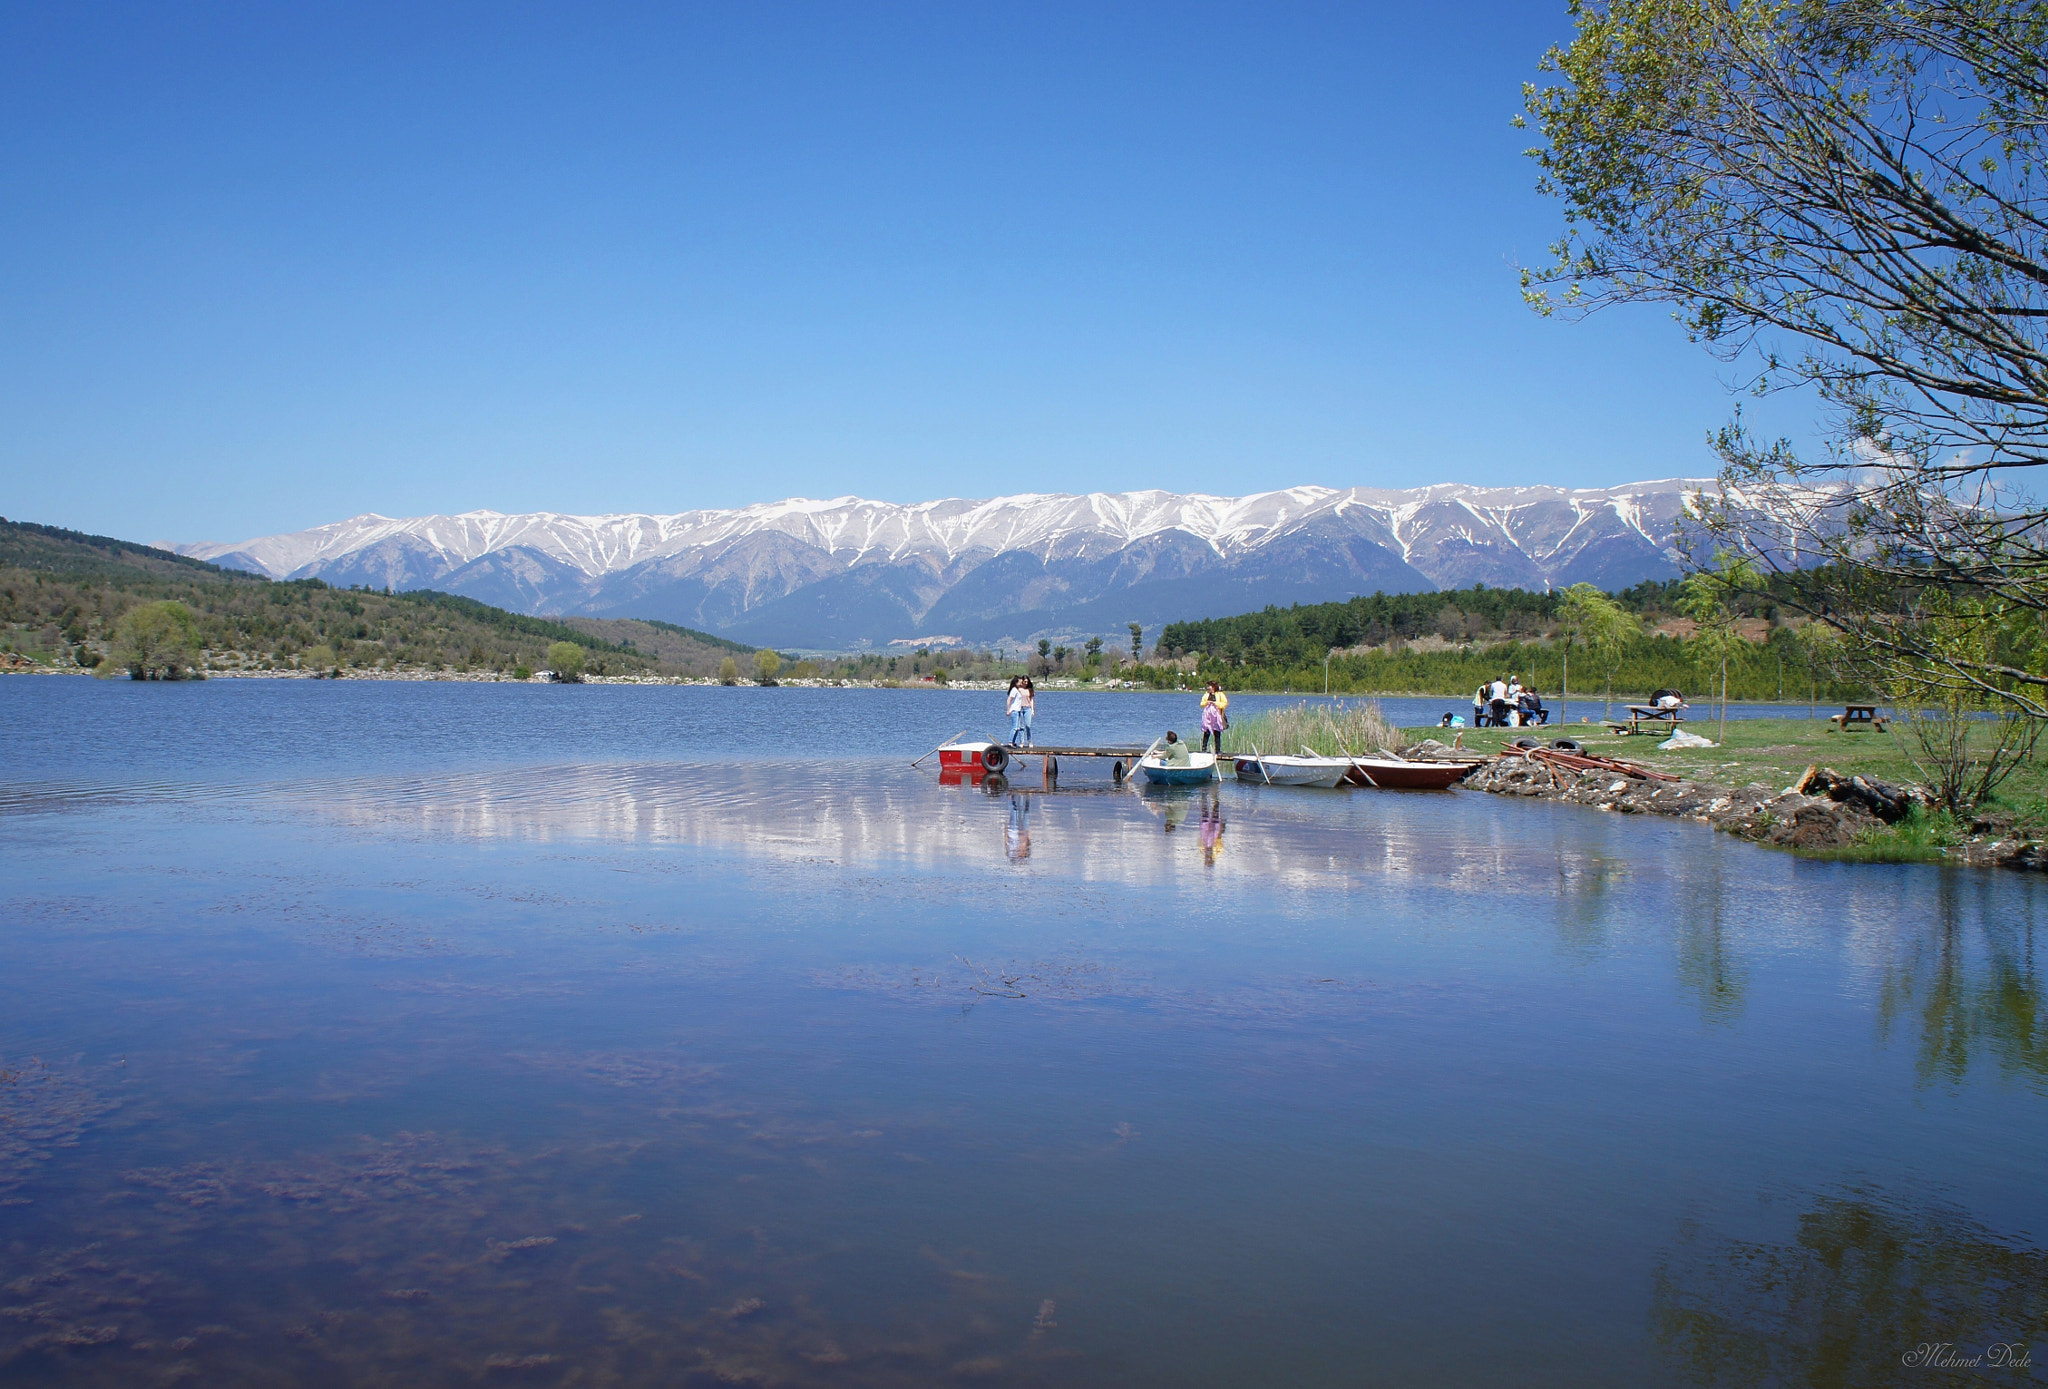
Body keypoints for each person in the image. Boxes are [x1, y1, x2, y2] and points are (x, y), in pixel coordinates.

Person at [1199, 681, 1229, 753]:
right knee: (1206, 732)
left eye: (1210, 686)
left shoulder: (1220, 694)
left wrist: (1216, 703)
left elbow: (1225, 703)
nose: (1209, 687)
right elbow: (1201, 704)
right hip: (1208, 716)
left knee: (1217, 732)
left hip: (1216, 715)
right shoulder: (1206, 694)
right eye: (1208, 686)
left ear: (1214, 687)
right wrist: (1207, 702)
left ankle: (1218, 750)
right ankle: (1204, 749)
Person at [1005, 677, 1028, 747]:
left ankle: (1013, 742)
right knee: (1014, 727)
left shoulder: (1018, 690)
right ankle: (1010, 742)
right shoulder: (1014, 690)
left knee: (1018, 728)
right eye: (1020, 682)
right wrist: (1008, 710)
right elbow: (1009, 700)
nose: (1021, 684)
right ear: (1016, 683)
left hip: (1019, 711)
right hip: (1014, 710)